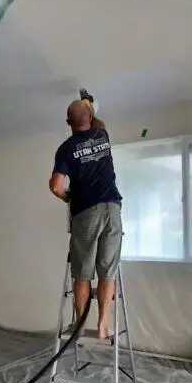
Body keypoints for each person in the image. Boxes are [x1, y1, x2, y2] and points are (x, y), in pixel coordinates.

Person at [48, 100, 123, 339]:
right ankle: (102, 325)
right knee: (107, 271)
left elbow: (56, 186)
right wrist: (90, 105)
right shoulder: (102, 134)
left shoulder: (66, 148)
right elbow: (96, 121)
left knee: (82, 272)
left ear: (68, 122)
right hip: (113, 210)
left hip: (86, 213)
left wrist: (65, 197)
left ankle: (79, 325)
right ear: (90, 117)